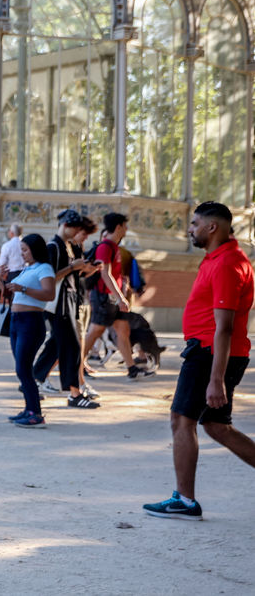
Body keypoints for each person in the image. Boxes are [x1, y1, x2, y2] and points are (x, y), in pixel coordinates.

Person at [143, 202, 255, 520]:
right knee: (218, 427)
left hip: (210, 354)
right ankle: (185, 499)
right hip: (208, 352)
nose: (190, 229)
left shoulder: (228, 264)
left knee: (182, 420)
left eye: (194, 223)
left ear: (212, 227)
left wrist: (216, 378)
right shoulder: (216, 258)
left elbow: (225, 327)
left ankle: (185, 500)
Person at [32, 211, 100, 409]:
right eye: (77, 228)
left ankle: (35, 379)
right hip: (60, 303)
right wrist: (72, 268)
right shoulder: (54, 247)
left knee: (61, 346)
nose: (79, 233)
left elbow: (70, 275)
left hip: (68, 300)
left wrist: (81, 268)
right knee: (70, 347)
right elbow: (49, 277)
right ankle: (74, 393)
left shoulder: (67, 246)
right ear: (66, 225)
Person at [79, 213, 155, 380]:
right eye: (125, 226)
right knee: (95, 331)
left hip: (113, 297)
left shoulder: (114, 247)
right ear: (119, 227)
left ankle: (132, 369)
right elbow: (105, 274)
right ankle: (77, 365)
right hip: (104, 297)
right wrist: (120, 297)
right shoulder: (105, 247)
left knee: (123, 330)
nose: (127, 229)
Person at [4, 234, 56, 428]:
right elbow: (18, 291)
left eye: (25, 250)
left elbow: (49, 294)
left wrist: (23, 289)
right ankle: (29, 409)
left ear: (36, 249)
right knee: (21, 368)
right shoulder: (28, 268)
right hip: (16, 321)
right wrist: (4, 281)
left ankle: (36, 413)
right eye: (22, 250)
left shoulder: (45, 268)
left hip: (31, 322)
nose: (23, 254)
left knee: (23, 368)